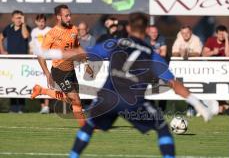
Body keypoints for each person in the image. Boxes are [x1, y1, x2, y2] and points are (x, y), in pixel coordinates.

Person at [68, 13, 217, 158]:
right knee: (162, 127)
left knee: (89, 125)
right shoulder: (152, 54)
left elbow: (82, 53)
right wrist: (198, 104)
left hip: (109, 97)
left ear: (128, 29)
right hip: (133, 102)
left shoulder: (114, 44)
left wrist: (49, 52)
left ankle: (73, 155)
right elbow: (173, 83)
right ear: (146, 30)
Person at [31, 4, 93, 126]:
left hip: (71, 70)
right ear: (59, 17)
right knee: (75, 99)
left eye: (70, 15)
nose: (69, 18)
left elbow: (77, 47)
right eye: (66, 16)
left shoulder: (74, 29)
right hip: (59, 71)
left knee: (75, 102)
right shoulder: (52, 34)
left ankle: (42, 90)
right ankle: (85, 129)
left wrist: (86, 63)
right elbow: (40, 55)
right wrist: (48, 74)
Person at [0, 10, 31, 113]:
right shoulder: (8, 28)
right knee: (12, 82)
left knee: (22, 83)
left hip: (23, 60)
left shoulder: (26, 27)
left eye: (20, 18)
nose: (19, 20)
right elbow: (0, 38)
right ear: (12, 19)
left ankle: (21, 108)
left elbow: (25, 36)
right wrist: (3, 51)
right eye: (17, 18)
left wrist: (23, 23)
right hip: (11, 60)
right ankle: (13, 108)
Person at [202, 25, 229, 113]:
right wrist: (213, 52)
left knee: (221, 90)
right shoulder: (210, 40)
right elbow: (204, 54)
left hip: (224, 71)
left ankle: (223, 108)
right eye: (220, 34)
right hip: (211, 70)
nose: (221, 36)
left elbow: (228, 55)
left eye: (223, 34)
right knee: (212, 89)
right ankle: (226, 107)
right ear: (216, 34)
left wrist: (227, 39)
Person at [30, 14, 51, 114]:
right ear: (36, 22)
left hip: (47, 59)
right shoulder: (34, 31)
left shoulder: (49, 30)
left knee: (47, 81)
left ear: (45, 22)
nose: (41, 23)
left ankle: (47, 106)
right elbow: (32, 44)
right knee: (38, 82)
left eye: (43, 21)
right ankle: (42, 106)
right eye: (39, 21)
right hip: (36, 60)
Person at [145, 25, 167, 111]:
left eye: (156, 32)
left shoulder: (161, 39)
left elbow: (163, 54)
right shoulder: (144, 40)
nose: (154, 34)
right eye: (152, 32)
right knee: (149, 90)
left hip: (160, 68)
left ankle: (162, 110)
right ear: (148, 33)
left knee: (163, 88)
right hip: (148, 69)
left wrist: (151, 53)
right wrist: (156, 52)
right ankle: (152, 109)